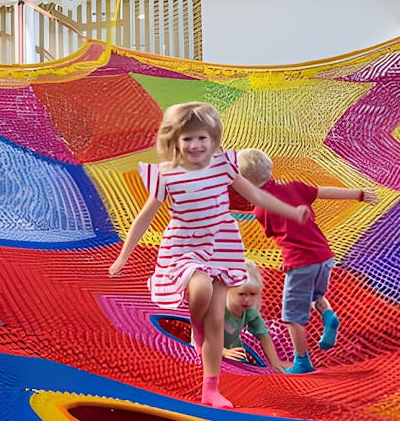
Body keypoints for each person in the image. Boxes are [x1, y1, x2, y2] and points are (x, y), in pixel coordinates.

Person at [109, 102, 310, 409]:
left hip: (220, 245)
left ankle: (210, 390)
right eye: (187, 138)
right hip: (184, 246)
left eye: (202, 138)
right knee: (201, 291)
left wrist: (290, 212)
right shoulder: (166, 175)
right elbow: (145, 216)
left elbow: (256, 195)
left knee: (217, 319)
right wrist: (124, 256)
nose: (195, 145)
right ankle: (195, 328)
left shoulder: (224, 166)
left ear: (213, 139)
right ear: (174, 140)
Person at [236, 148, 379, 374]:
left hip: (300, 263)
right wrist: (359, 193)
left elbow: (273, 233)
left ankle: (302, 362)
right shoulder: (293, 186)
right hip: (325, 256)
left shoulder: (260, 209)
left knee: (292, 317)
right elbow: (325, 191)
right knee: (315, 296)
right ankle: (328, 315)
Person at [222, 259, 288, 373]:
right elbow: (203, 338)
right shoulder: (217, 309)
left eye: (252, 294)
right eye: (242, 294)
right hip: (208, 352)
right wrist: (224, 352)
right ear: (229, 290)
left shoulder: (249, 312)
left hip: (233, 350)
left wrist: (275, 363)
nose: (247, 300)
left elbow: (264, 337)